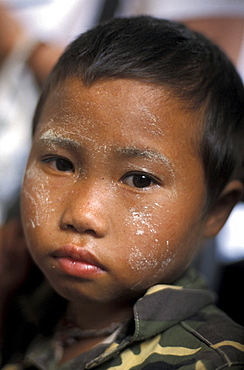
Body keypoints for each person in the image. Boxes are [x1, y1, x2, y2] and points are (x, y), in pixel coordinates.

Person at [1, 16, 244, 369]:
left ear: (215, 212)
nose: (83, 214)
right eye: (60, 163)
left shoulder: (214, 360)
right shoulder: (28, 306)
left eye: (140, 180)